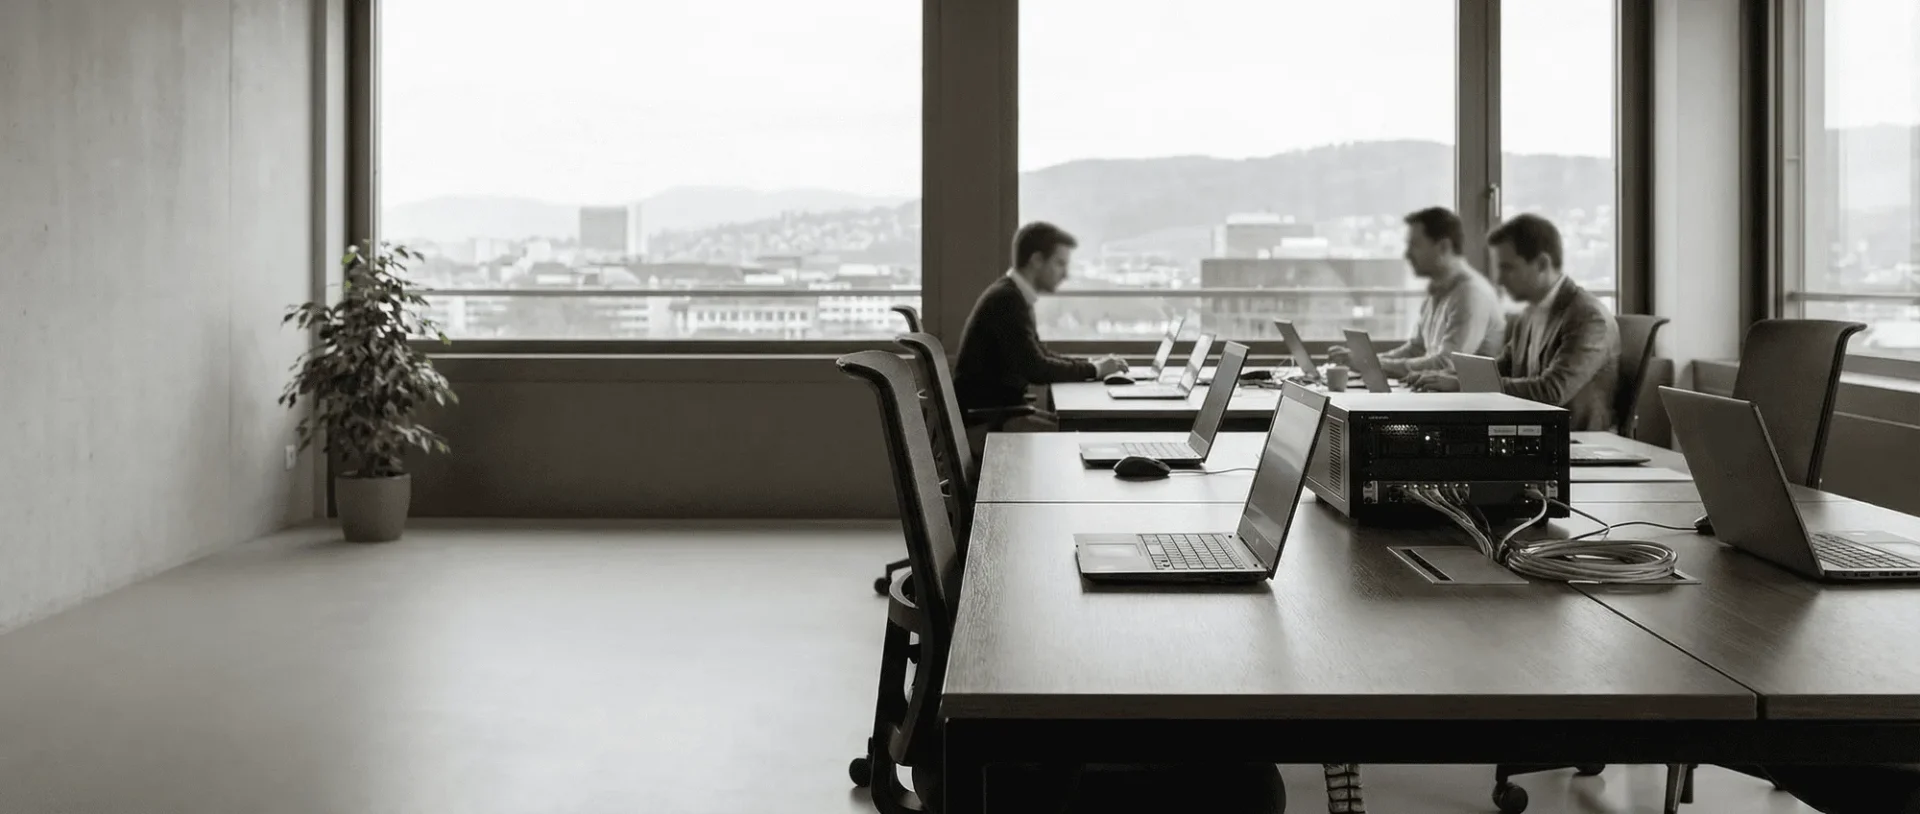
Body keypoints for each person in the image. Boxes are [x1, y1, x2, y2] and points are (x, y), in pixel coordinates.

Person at [1406, 213, 1620, 431]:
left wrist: (1461, 384)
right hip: (1531, 434)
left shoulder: (1588, 317)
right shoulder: (1529, 314)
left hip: (1573, 442)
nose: (1499, 279)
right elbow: (1502, 367)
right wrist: (1445, 376)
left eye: (1507, 268)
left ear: (1542, 264)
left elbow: (1552, 391)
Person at [952, 221, 1127, 439]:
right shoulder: (1007, 300)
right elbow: (1035, 367)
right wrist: (1094, 370)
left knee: (1082, 432)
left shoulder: (1012, 294)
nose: (1065, 274)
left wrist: (1093, 365)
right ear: (1036, 260)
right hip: (989, 425)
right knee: (1086, 438)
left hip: (999, 417)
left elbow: (1039, 354)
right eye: (1060, 264)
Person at [1327, 206, 1504, 378]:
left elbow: (1446, 364)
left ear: (1443, 247)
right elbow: (1416, 349)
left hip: (1466, 404)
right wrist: (1366, 361)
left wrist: (1370, 364)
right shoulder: (1439, 291)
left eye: (1415, 246)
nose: (1408, 254)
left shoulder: (1470, 294)